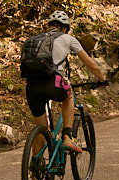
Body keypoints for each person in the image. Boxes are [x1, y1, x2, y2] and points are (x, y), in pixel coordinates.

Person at [24, 10, 107, 153]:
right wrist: (102, 79)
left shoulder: (34, 40)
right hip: (53, 83)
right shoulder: (68, 39)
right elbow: (91, 65)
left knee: (41, 131)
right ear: (65, 28)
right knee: (68, 96)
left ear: (49, 26)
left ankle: (36, 170)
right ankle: (68, 136)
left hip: (31, 86)